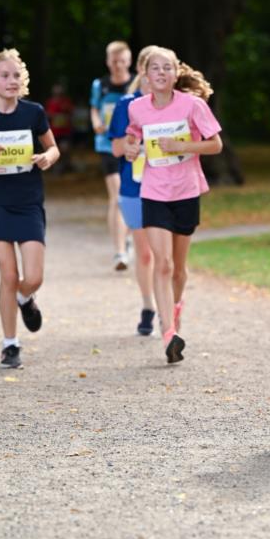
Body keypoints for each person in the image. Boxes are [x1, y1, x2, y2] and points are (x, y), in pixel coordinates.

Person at [0, 49, 59, 369]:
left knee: (33, 276)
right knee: (8, 274)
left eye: (16, 75)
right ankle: (10, 343)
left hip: (29, 200)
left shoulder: (34, 113)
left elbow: (53, 147)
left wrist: (47, 158)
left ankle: (24, 298)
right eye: (4, 75)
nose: (11, 81)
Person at [125, 47, 223, 364]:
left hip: (186, 190)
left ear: (175, 73)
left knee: (178, 269)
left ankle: (175, 310)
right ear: (146, 75)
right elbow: (133, 136)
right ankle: (169, 331)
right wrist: (130, 148)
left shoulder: (192, 105)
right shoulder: (137, 108)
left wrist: (183, 146)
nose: (162, 73)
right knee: (162, 263)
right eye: (156, 68)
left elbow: (215, 144)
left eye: (167, 67)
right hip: (153, 191)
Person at [109, 46, 158, 336]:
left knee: (166, 257)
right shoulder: (127, 104)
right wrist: (130, 147)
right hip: (134, 187)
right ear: (141, 71)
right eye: (151, 68)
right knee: (146, 254)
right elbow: (115, 147)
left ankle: (169, 307)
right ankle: (148, 305)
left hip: (171, 187)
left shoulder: (179, 103)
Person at [89, 40, 135, 270]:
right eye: (114, 61)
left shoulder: (136, 84)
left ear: (129, 61)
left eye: (122, 61)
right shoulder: (100, 85)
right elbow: (95, 108)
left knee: (128, 196)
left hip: (132, 146)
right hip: (107, 145)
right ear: (108, 61)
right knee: (116, 196)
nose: (118, 65)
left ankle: (126, 237)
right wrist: (97, 122)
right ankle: (119, 253)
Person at [44, 82, 74, 174]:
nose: (57, 93)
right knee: (54, 150)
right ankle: (56, 167)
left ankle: (66, 165)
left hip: (65, 131)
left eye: (59, 91)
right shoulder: (50, 102)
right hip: (53, 132)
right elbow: (46, 115)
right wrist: (52, 116)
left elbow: (71, 112)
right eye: (56, 91)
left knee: (65, 149)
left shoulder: (66, 101)